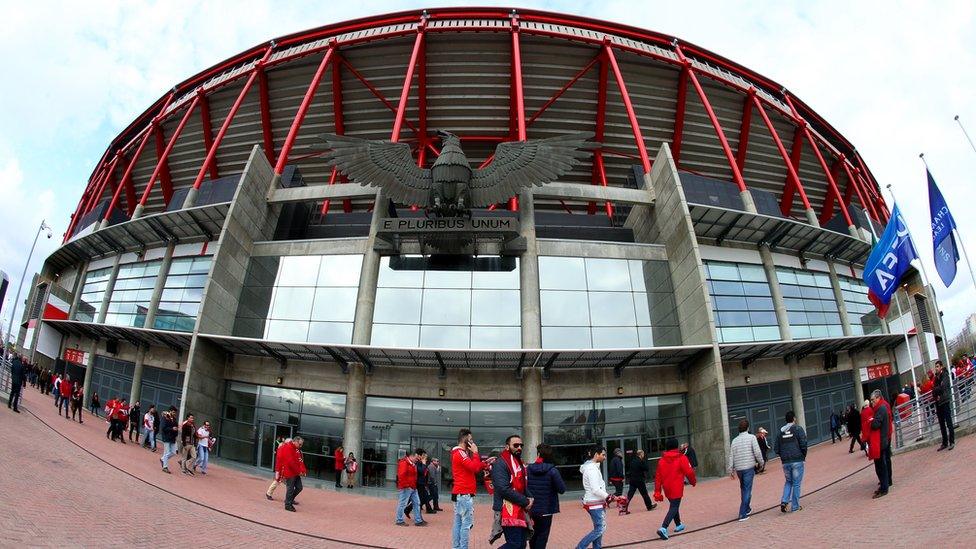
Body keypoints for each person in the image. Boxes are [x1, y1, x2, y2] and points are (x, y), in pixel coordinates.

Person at [491, 434, 532, 548]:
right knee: (515, 544)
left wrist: (530, 498)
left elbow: (523, 485)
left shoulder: (519, 462)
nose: (519, 447)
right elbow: (503, 489)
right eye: (516, 445)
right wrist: (525, 501)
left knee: (521, 544)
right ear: (507, 447)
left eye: (521, 445)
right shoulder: (500, 463)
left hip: (520, 509)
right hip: (507, 510)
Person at [654, 437, 696, 541]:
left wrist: (658, 491)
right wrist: (693, 481)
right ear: (676, 446)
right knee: (674, 506)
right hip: (677, 487)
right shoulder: (681, 457)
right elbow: (689, 472)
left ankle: (678, 524)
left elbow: (658, 478)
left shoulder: (661, 460)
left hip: (667, 488)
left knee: (674, 505)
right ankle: (664, 527)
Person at [527, 443, 566, 549]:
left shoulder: (528, 469)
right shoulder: (553, 471)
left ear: (538, 454)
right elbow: (562, 489)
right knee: (542, 536)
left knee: (533, 535)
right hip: (546, 510)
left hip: (531, 508)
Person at [728, 419, 764, 522]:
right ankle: (742, 513)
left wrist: (730, 469)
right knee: (747, 489)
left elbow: (731, 456)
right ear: (747, 428)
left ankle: (747, 508)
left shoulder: (734, 441)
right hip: (748, 467)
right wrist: (761, 463)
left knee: (744, 488)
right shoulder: (752, 437)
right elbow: (757, 452)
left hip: (739, 469)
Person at [451, 428, 482, 549]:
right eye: (470, 439)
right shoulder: (460, 453)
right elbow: (474, 468)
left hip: (460, 493)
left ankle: (456, 547)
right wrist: (475, 452)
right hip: (464, 494)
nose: (472, 442)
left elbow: (474, 467)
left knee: (458, 523)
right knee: (466, 524)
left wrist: (484, 463)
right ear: (465, 439)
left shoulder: (460, 453)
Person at [773, 411, 807, 513]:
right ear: (794, 419)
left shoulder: (780, 432)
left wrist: (783, 456)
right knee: (796, 483)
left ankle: (784, 501)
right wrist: (803, 455)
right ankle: (795, 507)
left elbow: (776, 449)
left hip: (785, 462)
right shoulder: (798, 429)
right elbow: (803, 443)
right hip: (797, 459)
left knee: (788, 481)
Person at [577, 445, 609, 549]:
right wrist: (608, 497)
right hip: (594, 503)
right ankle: (580, 547)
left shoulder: (593, 467)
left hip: (596, 502)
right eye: (603, 455)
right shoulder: (592, 469)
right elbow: (595, 489)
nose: (605, 457)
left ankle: (597, 547)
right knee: (600, 528)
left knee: (598, 528)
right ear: (596, 455)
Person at [868, 389, 894, 498]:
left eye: (873, 400)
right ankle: (885, 483)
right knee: (882, 463)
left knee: (881, 464)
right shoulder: (882, 407)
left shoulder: (881, 408)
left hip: (882, 439)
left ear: (878, 398)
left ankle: (885, 486)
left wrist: (871, 421)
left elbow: (876, 424)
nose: (872, 402)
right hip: (884, 438)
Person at [394, 449, 427, 527]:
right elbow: (401, 476)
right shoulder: (404, 463)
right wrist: (407, 485)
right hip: (407, 487)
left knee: (417, 503)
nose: (417, 460)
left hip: (412, 487)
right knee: (403, 503)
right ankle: (399, 520)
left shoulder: (412, 463)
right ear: (412, 456)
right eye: (416, 458)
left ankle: (418, 520)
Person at [279, 436, 307, 512]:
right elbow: (290, 462)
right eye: (300, 444)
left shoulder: (296, 449)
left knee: (299, 487)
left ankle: (289, 500)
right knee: (290, 489)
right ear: (295, 441)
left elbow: (299, 460)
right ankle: (288, 504)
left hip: (295, 472)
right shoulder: (288, 447)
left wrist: (302, 470)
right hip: (289, 472)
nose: (301, 446)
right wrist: (299, 471)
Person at [933, 360, 956, 451]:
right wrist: (936, 392)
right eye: (936, 367)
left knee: (949, 422)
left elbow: (943, 387)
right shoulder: (936, 378)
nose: (936, 368)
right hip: (938, 403)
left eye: (938, 366)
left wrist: (937, 390)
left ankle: (952, 441)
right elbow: (934, 390)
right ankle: (944, 442)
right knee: (941, 424)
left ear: (941, 367)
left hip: (945, 401)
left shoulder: (945, 375)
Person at [159, 408, 179, 474]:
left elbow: (176, 428)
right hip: (166, 437)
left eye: (175, 412)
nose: (174, 413)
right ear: (169, 411)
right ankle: (165, 467)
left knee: (173, 452)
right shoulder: (165, 418)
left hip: (172, 438)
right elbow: (163, 428)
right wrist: (172, 429)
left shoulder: (175, 419)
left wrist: (176, 433)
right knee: (166, 452)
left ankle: (162, 459)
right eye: (173, 412)